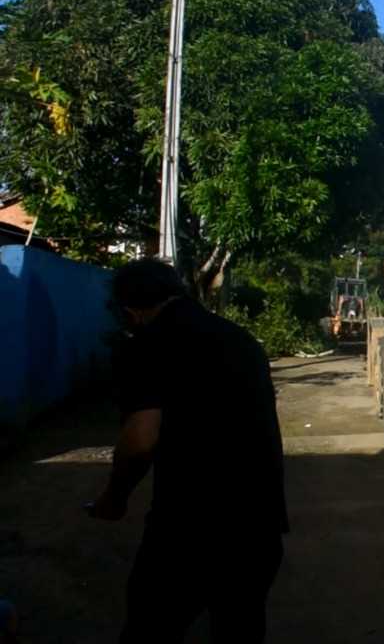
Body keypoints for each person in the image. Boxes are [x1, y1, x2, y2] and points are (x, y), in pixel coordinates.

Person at [88, 259, 288, 643]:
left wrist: (114, 497)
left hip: (189, 530)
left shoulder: (149, 345)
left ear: (131, 310)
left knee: (150, 628)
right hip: (258, 526)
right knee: (239, 628)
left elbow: (141, 438)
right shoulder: (241, 339)